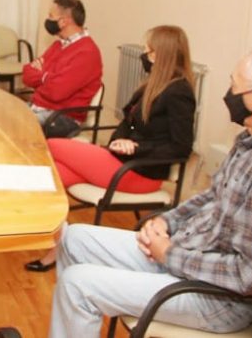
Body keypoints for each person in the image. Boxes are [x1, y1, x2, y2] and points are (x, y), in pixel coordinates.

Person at [47, 45, 252, 337]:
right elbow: (212, 196)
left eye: (234, 85)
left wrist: (169, 254)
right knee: (73, 238)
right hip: (189, 254)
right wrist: (166, 221)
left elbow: (250, 276)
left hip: (219, 298)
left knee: (77, 284)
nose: (229, 93)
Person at [26, 25, 195, 272]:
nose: (145, 56)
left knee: (51, 144)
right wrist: (119, 141)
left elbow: (181, 147)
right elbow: (128, 123)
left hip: (141, 173)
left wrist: (136, 148)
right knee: (55, 175)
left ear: (164, 54)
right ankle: (58, 247)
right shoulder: (151, 85)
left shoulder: (179, 91)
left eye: (149, 51)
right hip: (120, 161)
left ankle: (59, 245)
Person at [21, 0, 103, 137]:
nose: (48, 20)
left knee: (11, 129)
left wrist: (42, 75)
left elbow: (56, 92)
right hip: (40, 108)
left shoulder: (87, 52)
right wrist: (48, 77)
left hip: (62, 117)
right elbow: (27, 74)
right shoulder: (58, 44)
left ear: (63, 21)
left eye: (51, 16)